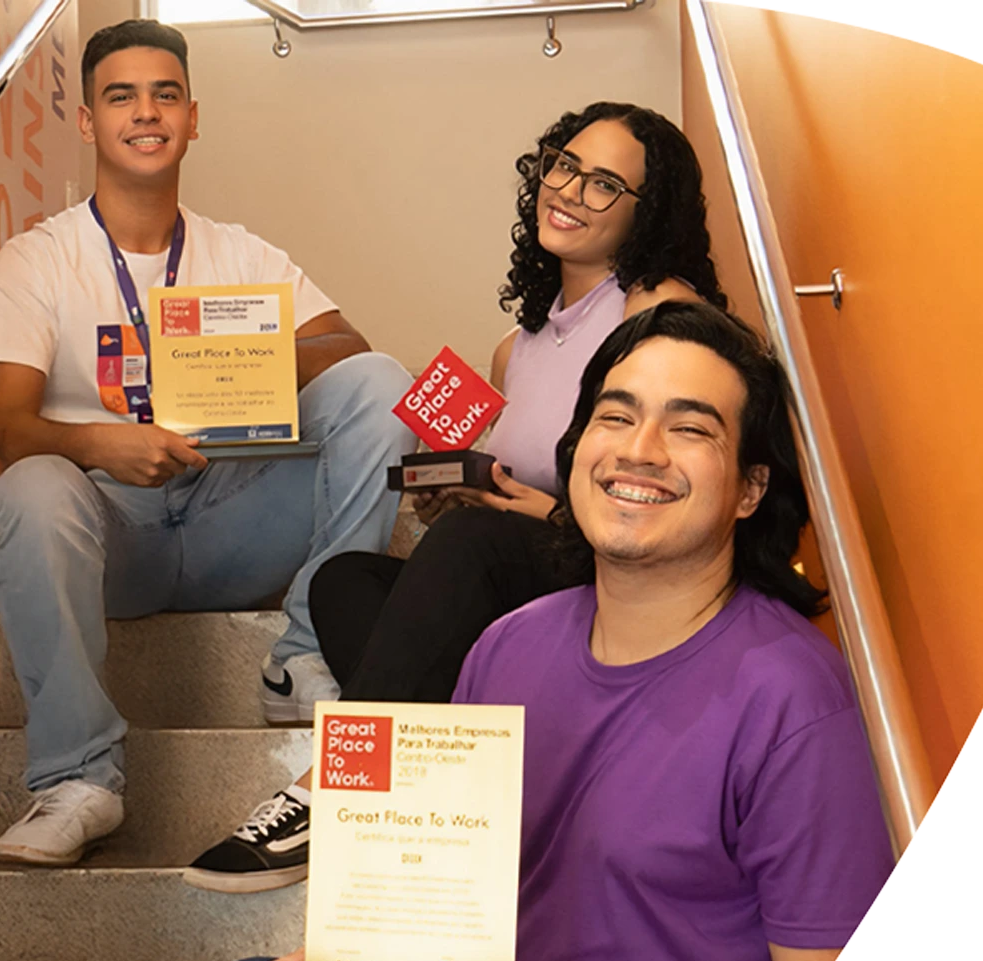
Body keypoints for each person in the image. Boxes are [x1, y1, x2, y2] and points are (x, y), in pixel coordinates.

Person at [184, 301, 895, 961]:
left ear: (750, 488)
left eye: (690, 428)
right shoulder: (510, 644)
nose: (640, 450)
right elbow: (445, 899)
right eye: (615, 417)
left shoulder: (793, 696)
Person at [185, 101, 728, 893]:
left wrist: (535, 515)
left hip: (613, 576)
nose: (570, 191)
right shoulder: (518, 345)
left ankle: (331, 789)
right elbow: (507, 494)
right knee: (345, 580)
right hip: (520, 573)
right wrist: (459, 495)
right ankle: (440, 785)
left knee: (473, 546)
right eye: (564, 165)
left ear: (649, 213)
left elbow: (674, 487)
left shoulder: (659, 314)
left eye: (605, 183)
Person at [0, 19, 415, 866]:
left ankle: (301, 656)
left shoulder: (238, 253)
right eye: (122, 96)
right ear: (88, 120)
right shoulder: (37, 260)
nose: (146, 112)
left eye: (165, 94)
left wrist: (242, 356)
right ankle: (78, 779)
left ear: (192, 116)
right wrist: (103, 444)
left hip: (228, 516)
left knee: (382, 381)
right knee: (25, 485)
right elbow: (3, 434)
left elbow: (347, 347)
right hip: (112, 538)